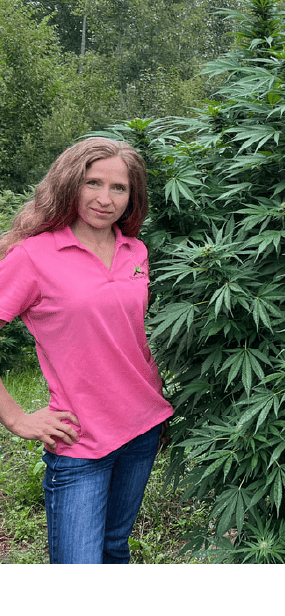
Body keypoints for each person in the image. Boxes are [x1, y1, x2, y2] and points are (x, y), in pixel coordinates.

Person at [0, 137, 173, 564]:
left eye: (119, 188)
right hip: (80, 439)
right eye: (92, 183)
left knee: (114, 550)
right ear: (69, 184)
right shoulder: (34, 256)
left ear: (133, 197)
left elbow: (129, 335)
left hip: (143, 426)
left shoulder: (135, 250)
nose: (105, 198)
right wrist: (17, 417)